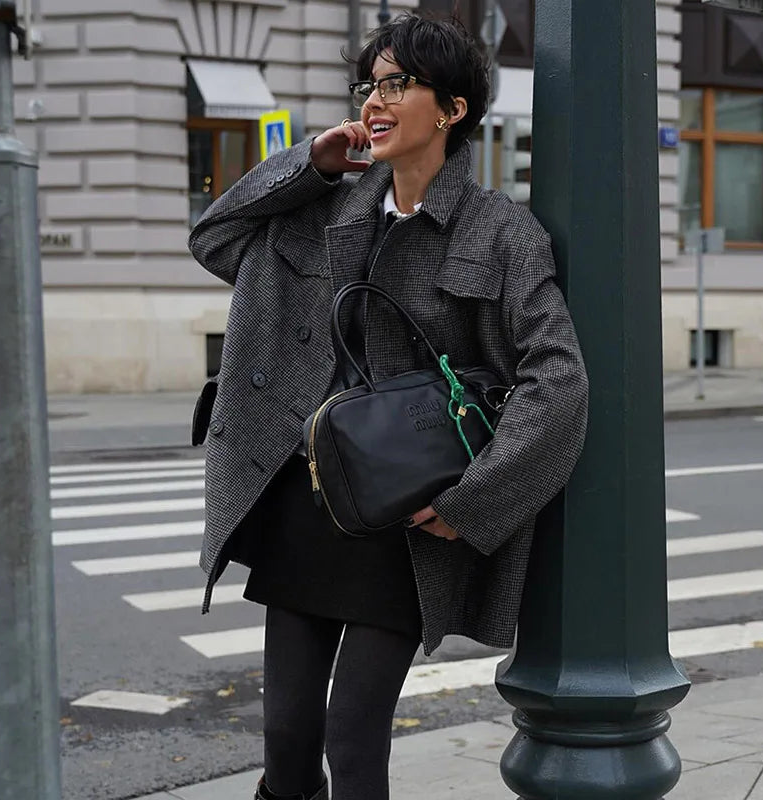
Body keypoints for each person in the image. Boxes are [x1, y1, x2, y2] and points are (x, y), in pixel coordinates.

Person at [188, 13, 588, 800]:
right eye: (369, 84)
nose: (376, 99)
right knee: (288, 737)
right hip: (306, 504)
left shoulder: (501, 232)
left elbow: (559, 379)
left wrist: (473, 503)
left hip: (407, 526)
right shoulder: (329, 207)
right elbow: (214, 235)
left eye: (398, 83)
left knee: (353, 739)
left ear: (453, 109)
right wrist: (308, 163)